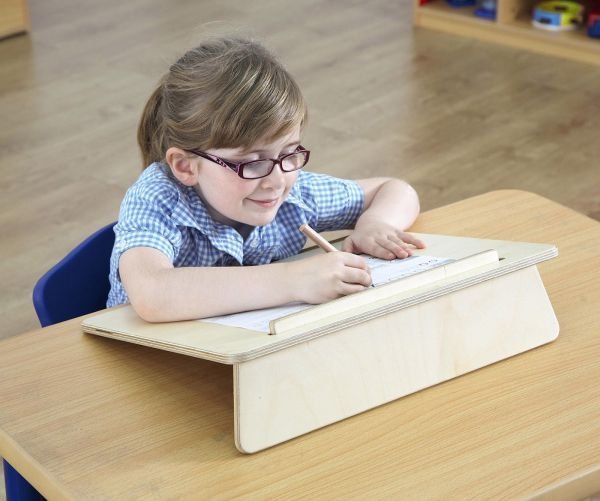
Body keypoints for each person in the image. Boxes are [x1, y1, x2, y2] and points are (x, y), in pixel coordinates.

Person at [107, 36, 424, 322]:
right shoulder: (157, 198)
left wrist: (376, 223)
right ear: (187, 166)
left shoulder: (291, 190)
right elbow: (153, 294)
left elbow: (395, 190)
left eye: (289, 153)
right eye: (251, 163)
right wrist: (292, 279)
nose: (276, 181)